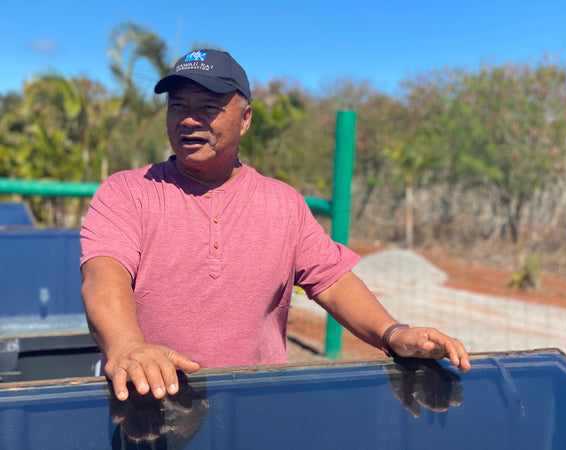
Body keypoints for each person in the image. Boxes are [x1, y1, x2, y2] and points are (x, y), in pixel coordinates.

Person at [80, 49, 470, 402]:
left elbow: (331, 281)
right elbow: (104, 274)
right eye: (177, 105)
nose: (187, 119)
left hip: (255, 403)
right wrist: (127, 347)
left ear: (245, 118)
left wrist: (393, 333)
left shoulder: (283, 202)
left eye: (208, 106)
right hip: (145, 401)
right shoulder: (128, 191)